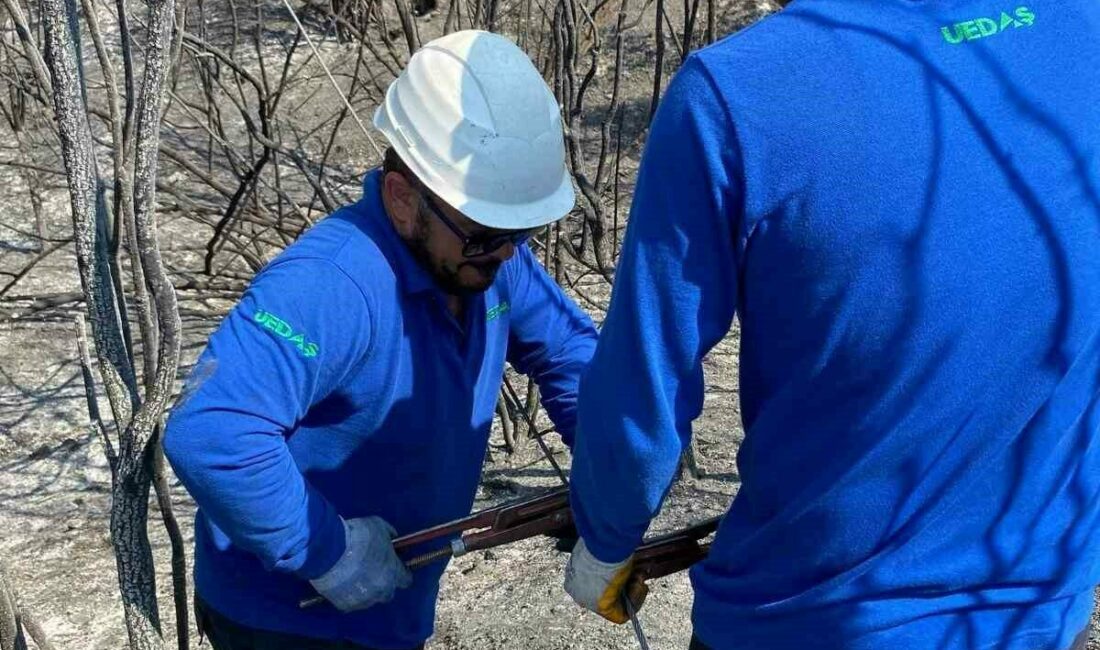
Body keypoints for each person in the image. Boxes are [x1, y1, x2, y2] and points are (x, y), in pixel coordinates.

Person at [561, 1, 1100, 648]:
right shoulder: (1080, 25)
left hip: (805, 619)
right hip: (1037, 612)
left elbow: (639, 404)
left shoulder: (736, 94)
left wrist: (605, 540)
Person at [164, 30, 597, 650]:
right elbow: (212, 431)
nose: (505, 251)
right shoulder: (331, 285)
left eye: (520, 230)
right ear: (402, 199)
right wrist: (325, 549)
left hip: (392, 605)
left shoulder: (491, 257)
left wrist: (607, 461)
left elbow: (569, 353)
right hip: (288, 618)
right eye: (483, 234)